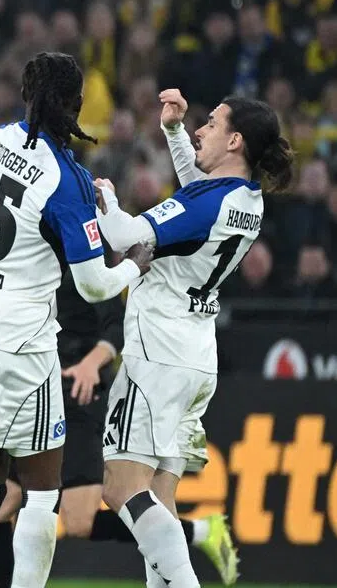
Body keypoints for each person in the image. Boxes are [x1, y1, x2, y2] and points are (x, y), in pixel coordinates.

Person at [0, 52, 154, 588]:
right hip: (19, 341)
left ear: (26, 96)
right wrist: (133, 266)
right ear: (77, 105)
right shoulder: (67, 178)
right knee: (40, 492)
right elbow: (94, 285)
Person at [94, 89, 293, 588]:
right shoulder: (245, 198)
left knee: (121, 489)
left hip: (157, 356)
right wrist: (174, 131)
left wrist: (104, 200)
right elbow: (196, 196)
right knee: (158, 501)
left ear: (235, 140)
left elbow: (124, 237)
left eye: (210, 123)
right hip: (196, 357)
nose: (200, 129)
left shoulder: (208, 203)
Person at [0, 266, 239, 588]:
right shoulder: (27, 261)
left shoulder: (85, 262)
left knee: (80, 521)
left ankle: (200, 532)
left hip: (79, 401)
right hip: (35, 397)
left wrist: (91, 363)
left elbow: (116, 326)